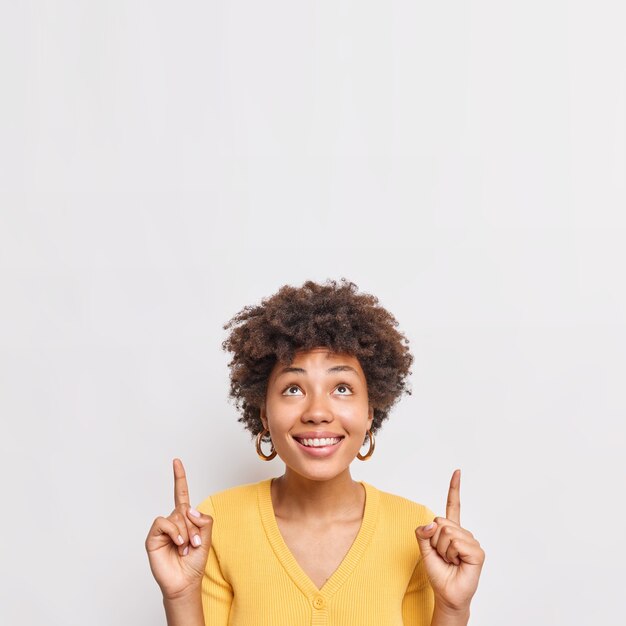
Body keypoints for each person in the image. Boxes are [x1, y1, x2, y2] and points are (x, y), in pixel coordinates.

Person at [145, 279, 485, 626]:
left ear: (370, 411)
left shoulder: (415, 530)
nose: (317, 411)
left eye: (341, 388)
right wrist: (181, 596)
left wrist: (453, 609)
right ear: (264, 411)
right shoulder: (217, 522)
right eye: (293, 388)